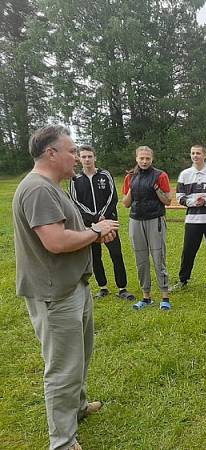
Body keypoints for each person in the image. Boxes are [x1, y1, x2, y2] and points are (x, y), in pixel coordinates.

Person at [13, 125, 119, 450]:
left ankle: (78, 408)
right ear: (51, 153)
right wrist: (96, 232)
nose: (77, 157)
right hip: (55, 294)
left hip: (73, 286)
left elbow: (67, 231)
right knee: (62, 368)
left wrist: (92, 233)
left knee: (79, 356)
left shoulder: (52, 187)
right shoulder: (38, 190)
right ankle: (62, 441)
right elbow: (56, 242)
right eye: (71, 151)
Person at [69, 145, 135, 301]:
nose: (87, 159)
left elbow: (113, 197)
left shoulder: (105, 175)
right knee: (95, 255)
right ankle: (102, 287)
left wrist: (103, 215)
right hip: (89, 225)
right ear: (79, 159)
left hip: (109, 221)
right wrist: (94, 217)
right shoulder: (75, 179)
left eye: (89, 156)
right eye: (84, 157)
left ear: (95, 158)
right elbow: (75, 201)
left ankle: (122, 288)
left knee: (116, 254)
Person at [122, 146, 172, 310]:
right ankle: (146, 297)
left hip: (155, 219)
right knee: (141, 259)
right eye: (141, 158)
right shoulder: (130, 177)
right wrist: (132, 186)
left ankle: (165, 296)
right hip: (136, 220)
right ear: (136, 158)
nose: (144, 161)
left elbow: (167, 201)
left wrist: (156, 188)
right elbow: (126, 204)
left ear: (152, 159)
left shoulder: (160, 175)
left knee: (158, 258)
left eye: (147, 158)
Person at [170, 144, 206, 294]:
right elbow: (180, 197)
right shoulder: (185, 174)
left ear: (204, 155)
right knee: (188, 251)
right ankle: (183, 280)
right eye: (193, 153)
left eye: (198, 153)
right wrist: (193, 202)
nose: (195, 156)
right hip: (193, 220)